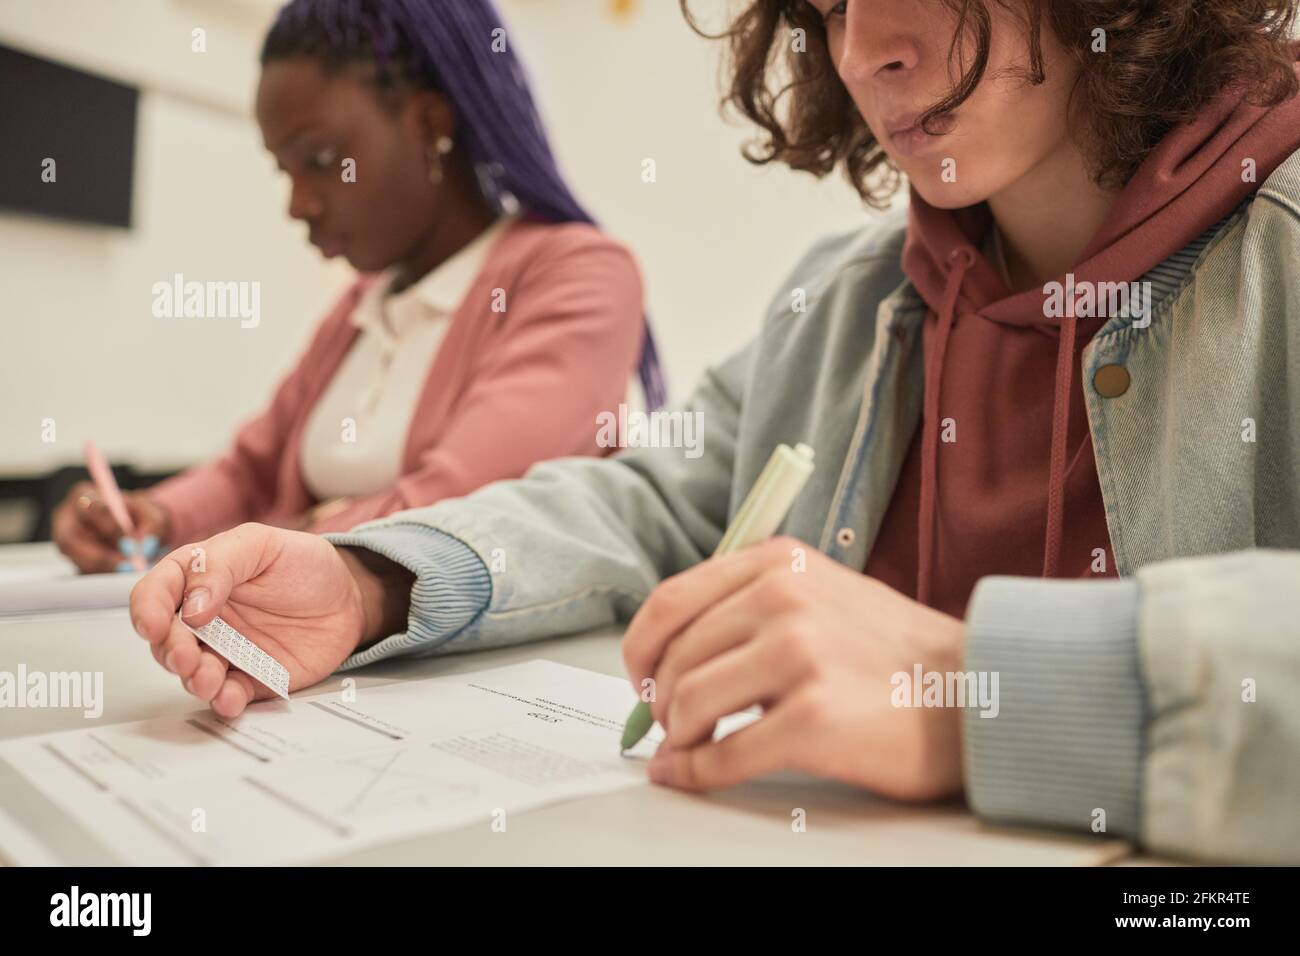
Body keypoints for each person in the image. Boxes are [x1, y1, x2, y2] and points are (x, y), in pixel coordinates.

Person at [130, 0, 1300, 863]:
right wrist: (372, 579)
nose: (866, 48)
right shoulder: (842, 297)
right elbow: (650, 496)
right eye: (827, 5)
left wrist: (972, 687)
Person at [53, 0, 662, 573]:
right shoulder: (363, 304)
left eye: (319, 160)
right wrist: (153, 517)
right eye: (282, 170)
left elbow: (457, 507)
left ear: (429, 123)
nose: (296, 205)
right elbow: (250, 472)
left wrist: (262, 546)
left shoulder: (579, 274)